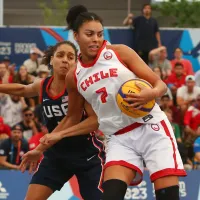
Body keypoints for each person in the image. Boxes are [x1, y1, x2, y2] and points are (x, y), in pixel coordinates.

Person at [37, 5, 186, 200]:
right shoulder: (74, 75)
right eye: (89, 34)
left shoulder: (119, 53)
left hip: (150, 126)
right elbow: (73, 116)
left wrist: (150, 93)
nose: (95, 39)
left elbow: (160, 84)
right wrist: (46, 144)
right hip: (118, 137)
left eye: (99, 34)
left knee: (167, 196)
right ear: (76, 36)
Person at [0, 41, 105, 200]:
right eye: (60, 55)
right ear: (51, 60)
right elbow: (22, 89)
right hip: (56, 156)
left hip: (87, 156)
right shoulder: (43, 85)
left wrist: (58, 136)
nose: (65, 60)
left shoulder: (82, 86)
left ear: (75, 63)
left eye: (71, 57)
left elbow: (95, 121)